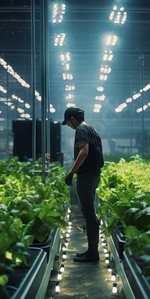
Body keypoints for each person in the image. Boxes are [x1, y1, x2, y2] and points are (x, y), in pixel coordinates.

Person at [62, 107, 104, 262]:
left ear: (73, 119)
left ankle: (93, 253)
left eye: (68, 123)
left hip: (86, 176)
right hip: (94, 175)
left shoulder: (80, 130)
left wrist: (71, 172)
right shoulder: (92, 129)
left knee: (89, 213)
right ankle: (91, 250)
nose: (68, 126)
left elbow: (84, 152)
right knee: (90, 211)